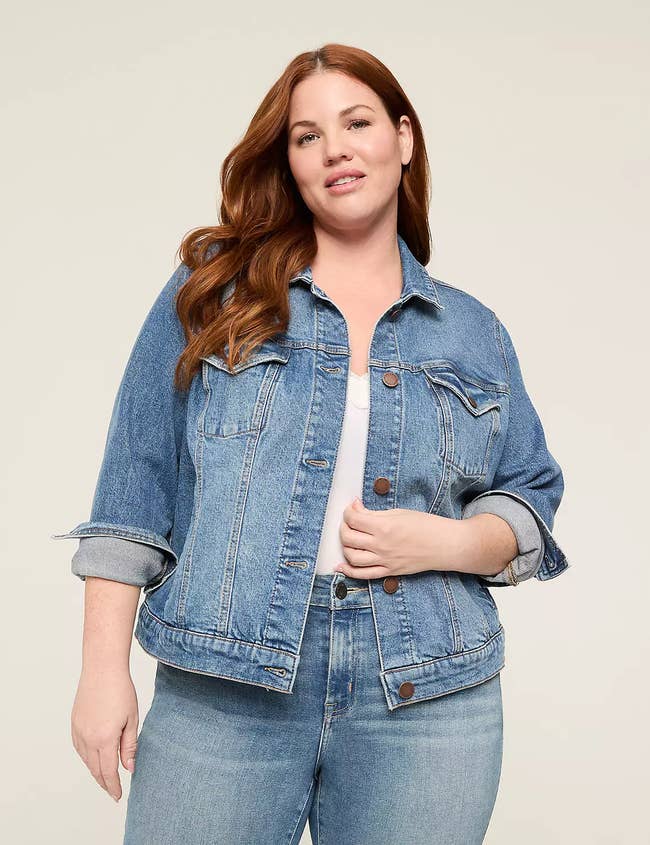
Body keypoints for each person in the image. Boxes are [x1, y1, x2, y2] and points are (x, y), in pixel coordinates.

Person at [52, 43, 569, 845]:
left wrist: (452, 541)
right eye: (307, 135)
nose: (335, 149)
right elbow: (135, 485)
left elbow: (529, 491)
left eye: (357, 123)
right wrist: (101, 671)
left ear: (403, 138)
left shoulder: (473, 330)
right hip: (225, 680)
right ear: (288, 161)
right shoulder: (214, 290)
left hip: (428, 692)